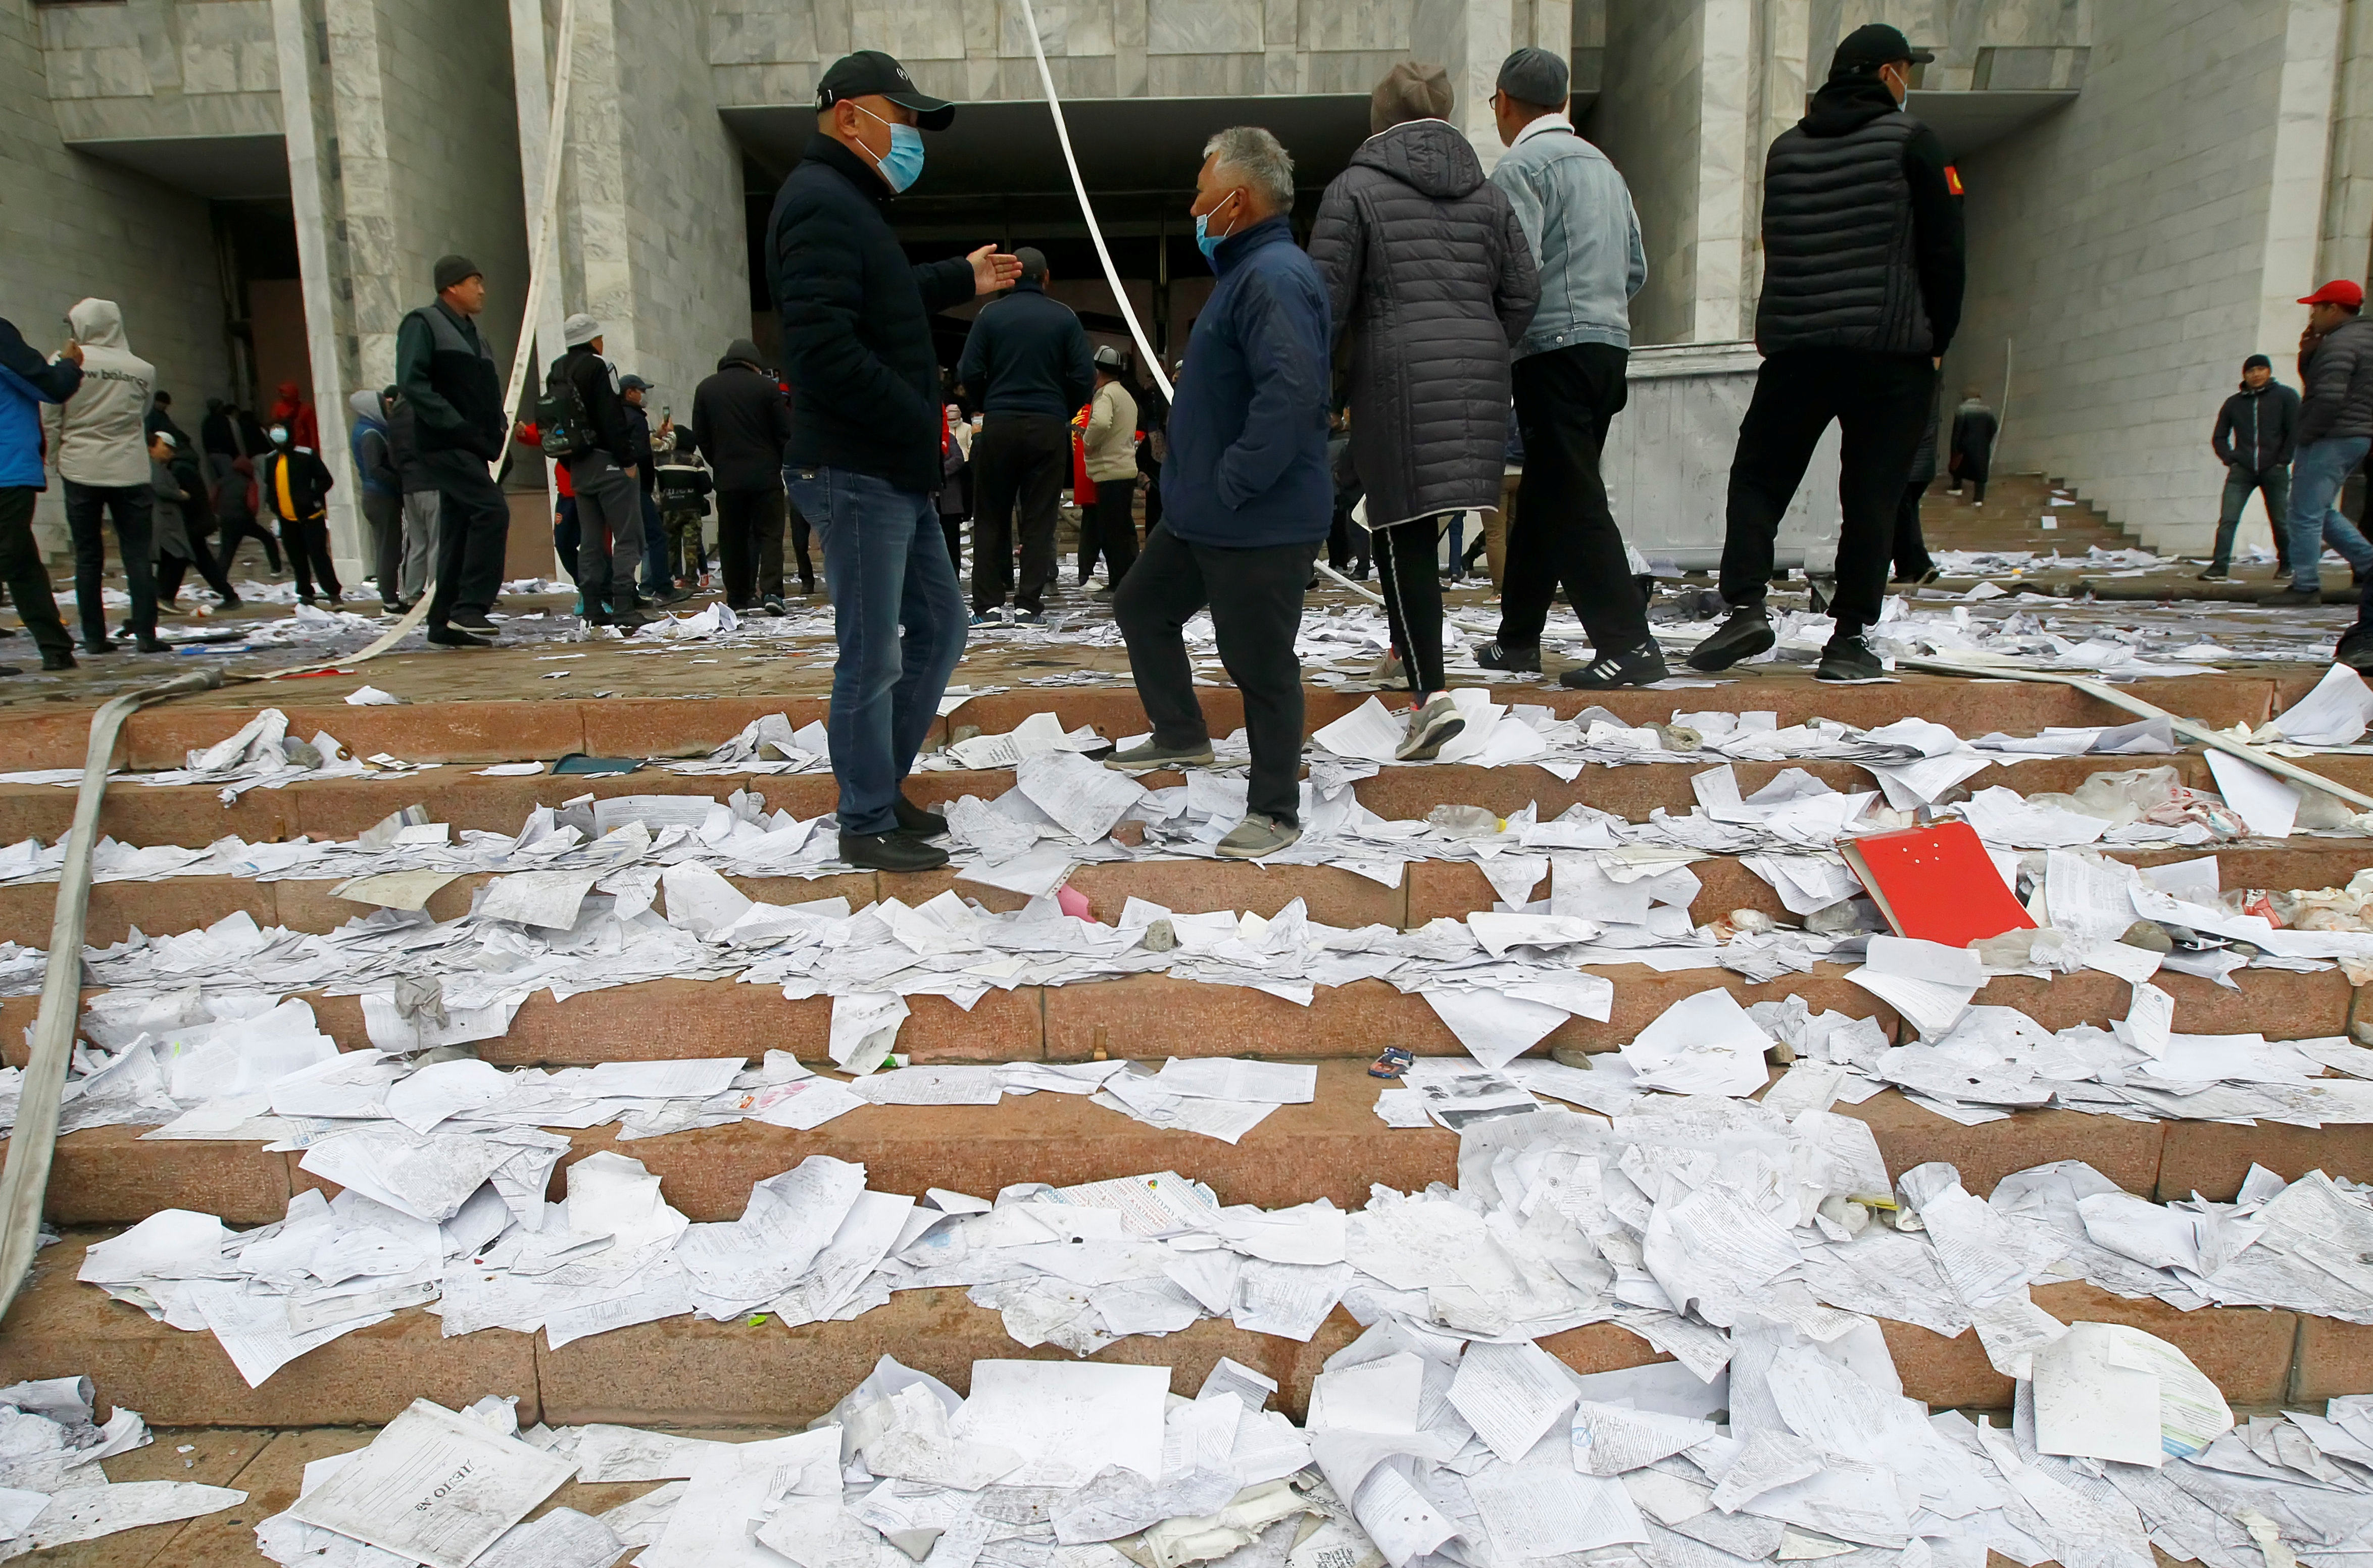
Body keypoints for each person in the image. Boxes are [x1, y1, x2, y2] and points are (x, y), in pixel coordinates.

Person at [767, 47, 1020, 871]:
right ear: (849, 115)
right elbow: (820, 348)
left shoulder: (849, 203)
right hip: (856, 467)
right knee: (872, 651)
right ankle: (863, 818)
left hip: (889, 469)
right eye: (903, 116)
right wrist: (919, 419)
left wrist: (961, 275)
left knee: (939, 626)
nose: (912, 134)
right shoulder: (819, 203)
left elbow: (879, 295)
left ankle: (881, 789)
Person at [1687, 23, 1962, 683]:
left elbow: (1777, 246)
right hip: (1888, 350)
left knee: (1757, 477)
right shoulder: (1913, 143)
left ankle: (1746, 605)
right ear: (1887, 73)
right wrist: (1937, 342)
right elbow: (1945, 252)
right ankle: (1846, 639)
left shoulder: (1786, 150)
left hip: (1797, 345)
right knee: (1870, 493)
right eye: (1907, 72)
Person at [1106, 126, 1331, 859]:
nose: (1193, 205)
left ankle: (1274, 809)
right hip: (1205, 515)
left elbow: (1292, 395)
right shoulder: (1245, 274)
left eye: (1201, 191)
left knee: (1260, 665)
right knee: (1143, 604)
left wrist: (1234, 481)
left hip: (1254, 518)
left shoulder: (1274, 276)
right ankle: (1179, 732)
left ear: (1236, 200)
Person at [1312, 59, 1538, 754]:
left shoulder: (1354, 188)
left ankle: (1429, 694)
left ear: (1377, 120)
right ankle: (1400, 647)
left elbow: (1323, 296)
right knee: (1423, 514)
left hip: (1396, 371)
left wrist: (1322, 383)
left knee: (1397, 525)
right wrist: (1483, 347)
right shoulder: (1488, 193)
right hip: (1476, 372)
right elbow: (1523, 291)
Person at [1474, 46, 1655, 687]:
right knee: (1551, 492)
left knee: (1573, 496)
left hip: (1553, 350)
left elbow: (1512, 272)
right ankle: (1516, 638)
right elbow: (1637, 266)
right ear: (1563, 103)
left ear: (1504, 102)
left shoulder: (1520, 166)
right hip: (1608, 346)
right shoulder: (1605, 167)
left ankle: (1627, 640)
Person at [957, 246, 1093, 624]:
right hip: (1047, 426)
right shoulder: (1064, 318)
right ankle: (1028, 603)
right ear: (1046, 277)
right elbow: (1083, 376)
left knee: (990, 516)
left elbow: (969, 369)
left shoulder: (990, 316)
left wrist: (988, 403)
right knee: (1039, 516)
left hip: (999, 423)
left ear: (1011, 278)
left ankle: (987, 604)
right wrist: (1058, 409)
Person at [395, 252, 510, 646]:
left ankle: (443, 621)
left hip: (473, 445)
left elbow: (488, 393)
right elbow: (412, 382)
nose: (482, 290)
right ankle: (470, 606)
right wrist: (454, 423)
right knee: (491, 509)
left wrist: (497, 433)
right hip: (444, 441)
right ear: (451, 287)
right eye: (475, 281)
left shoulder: (476, 337)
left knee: (460, 526)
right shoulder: (423, 324)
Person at [43, 298, 164, 653]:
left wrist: (51, 460)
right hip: (129, 469)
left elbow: (52, 417)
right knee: (138, 556)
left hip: (81, 467)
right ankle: (146, 634)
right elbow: (140, 415)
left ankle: (94, 638)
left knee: (88, 556)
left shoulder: (62, 363)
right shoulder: (142, 368)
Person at [2265, 281, 2373, 607]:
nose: (2312, 314)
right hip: (2357, 434)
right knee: (2318, 510)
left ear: (2334, 309)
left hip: (2331, 435)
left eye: (2317, 307)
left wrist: (2307, 434)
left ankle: (2306, 585)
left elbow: (2327, 396)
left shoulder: (2340, 344)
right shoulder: (2363, 338)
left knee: (2303, 513)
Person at [548, 314, 649, 627]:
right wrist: (628, 459)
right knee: (628, 534)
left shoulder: (557, 369)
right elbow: (611, 416)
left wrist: (570, 462)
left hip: (578, 465)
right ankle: (622, 602)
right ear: (594, 339)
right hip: (609, 463)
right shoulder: (598, 366)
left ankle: (592, 603)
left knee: (591, 539)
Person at [689, 337, 798, 609]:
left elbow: (701, 434)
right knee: (770, 536)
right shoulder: (767, 389)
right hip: (765, 478)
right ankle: (772, 592)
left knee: (732, 539)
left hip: (728, 479)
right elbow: (784, 432)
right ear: (754, 364)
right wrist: (778, 462)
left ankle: (738, 595)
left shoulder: (706, 389)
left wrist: (719, 462)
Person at [0, 313, 82, 673]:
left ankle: (56, 648)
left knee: (20, 561)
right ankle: (55, 647)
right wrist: (69, 364)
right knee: (18, 561)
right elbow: (50, 386)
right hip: (6, 469)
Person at [2203, 353, 2299, 580]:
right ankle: (2219, 567)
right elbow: (2219, 436)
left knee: (2280, 520)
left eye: (2260, 369)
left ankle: (2287, 564)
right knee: (2228, 518)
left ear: (2269, 371)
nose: (2256, 374)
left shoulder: (2285, 396)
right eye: (2250, 371)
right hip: (2242, 470)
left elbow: (2295, 431)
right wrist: (2230, 458)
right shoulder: (2234, 403)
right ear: (2244, 375)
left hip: (2274, 469)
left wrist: (2283, 460)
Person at [147, 431, 239, 613]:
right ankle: (164, 597)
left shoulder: (177, 468)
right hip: (189, 523)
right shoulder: (178, 466)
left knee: (180, 557)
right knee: (194, 559)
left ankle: (164, 597)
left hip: (189, 524)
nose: (169, 453)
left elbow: (184, 496)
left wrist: (180, 496)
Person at [258, 420, 341, 604]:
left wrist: (311, 496)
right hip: (287, 519)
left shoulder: (306, 455)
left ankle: (333, 594)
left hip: (310, 517)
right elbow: (270, 486)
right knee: (297, 559)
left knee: (319, 556)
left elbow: (325, 480)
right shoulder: (271, 459)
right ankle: (305, 594)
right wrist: (274, 506)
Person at [1080, 344, 1141, 592]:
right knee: (1124, 530)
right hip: (1126, 469)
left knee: (1111, 533)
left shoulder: (1105, 395)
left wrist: (1087, 442)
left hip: (1110, 470)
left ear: (1097, 372)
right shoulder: (1126, 396)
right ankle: (1130, 580)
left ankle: (1119, 583)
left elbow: (1102, 422)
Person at [619, 374, 683, 605]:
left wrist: (655, 436)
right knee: (655, 537)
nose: (643, 395)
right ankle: (663, 587)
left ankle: (629, 590)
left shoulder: (618, 415)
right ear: (630, 393)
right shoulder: (635, 418)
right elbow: (643, 453)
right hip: (638, 487)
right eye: (640, 391)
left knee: (631, 539)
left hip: (622, 488)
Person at [204, 398, 280, 579]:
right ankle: (276, 569)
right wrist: (251, 516)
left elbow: (213, 498)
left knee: (227, 552)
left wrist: (219, 514)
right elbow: (253, 503)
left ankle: (218, 580)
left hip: (226, 520)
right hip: (243, 519)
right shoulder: (249, 482)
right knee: (268, 540)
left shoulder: (223, 480)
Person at [349, 388, 405, 611]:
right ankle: (389, 599)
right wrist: (399, 483)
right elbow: (375, 468)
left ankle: (390, 596)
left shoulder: (370, 429)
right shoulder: (371, 433)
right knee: (388, 548)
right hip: (381, 496)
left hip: (377, 495)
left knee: (386, 546)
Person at [384, 386, 437, 608]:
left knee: (418, 543)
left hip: (409, 487)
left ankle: (412, 592)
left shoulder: (394, 421)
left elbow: (393, 459)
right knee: (437, 541)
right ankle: (437, 591)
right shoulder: (423, 416)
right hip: (431, 483)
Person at [653, 428, 713, 590]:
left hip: (669, 508)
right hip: (691, 509)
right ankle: (691, 579)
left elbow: (658, 485)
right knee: (691, 545)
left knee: (671, 544)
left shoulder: (661, 461)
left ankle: (672, 578)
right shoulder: (695, 461)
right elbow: (707, 486)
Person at [1893, 382, 1941, 584]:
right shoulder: (1928, 401)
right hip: (1922, 468)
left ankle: (1920, 565)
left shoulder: (1911, 403)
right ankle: (1907, 568)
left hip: (1909, 468)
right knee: (1905, 516)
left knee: (1903, 518)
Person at [1946, 388, 1997, 503]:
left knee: (1958, 465)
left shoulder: (1962, 410)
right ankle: (1978, 499)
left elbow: (1957, 430)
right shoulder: (1987, 410)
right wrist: (1986, 439)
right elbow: (1994, 428)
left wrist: (1955, 447)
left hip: (1965, 445)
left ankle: (1957, 487)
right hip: (1982, 446)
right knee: (1981, 472)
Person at [937, 400, 970, 578]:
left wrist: (940, 472)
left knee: (951, 542)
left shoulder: (949, 439)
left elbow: (958, 460)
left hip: (949, 500)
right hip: (930, 499)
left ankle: (954, 576)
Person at [268, 380, 319, 453]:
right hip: (285, 447)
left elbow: (312, 429)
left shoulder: (305, 410)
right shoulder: (278, 408)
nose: (283, 396)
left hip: (303, 447)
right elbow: (275, 427)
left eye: (285, 393)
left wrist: (314, 447)